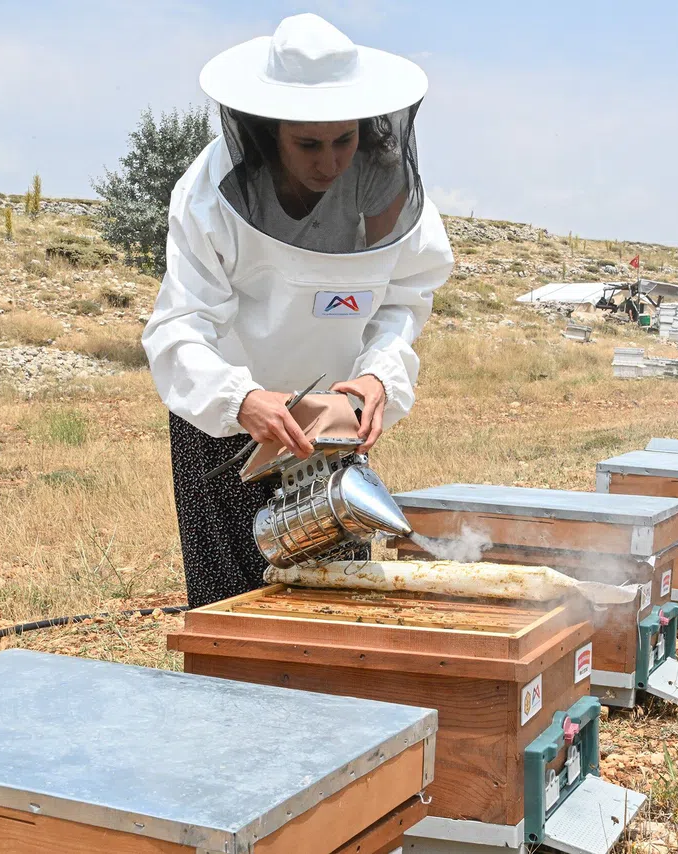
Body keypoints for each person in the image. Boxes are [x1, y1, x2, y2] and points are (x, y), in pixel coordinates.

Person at [142, 14, 454, 608]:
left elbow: (405, 300)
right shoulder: (208, 197)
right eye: (307, 144)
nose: (329, 162)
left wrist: (377, 377)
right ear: (267, 134)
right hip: (227, 426)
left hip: (331, 426)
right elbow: (179, 325)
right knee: (233, 610)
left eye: (345, 140)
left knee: (338, 605)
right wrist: (239, 400)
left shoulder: (388, 189)